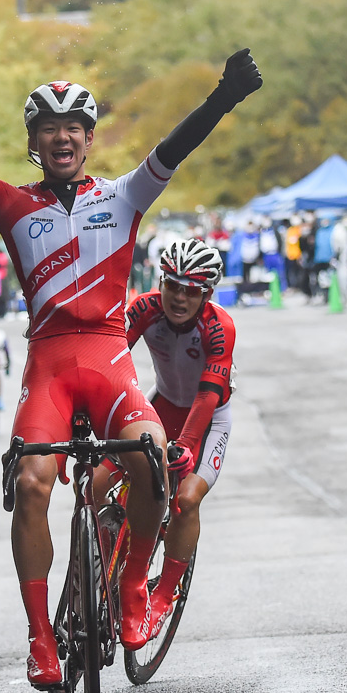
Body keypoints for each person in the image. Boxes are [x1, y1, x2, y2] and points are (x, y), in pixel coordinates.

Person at [0, 47, 261, 685]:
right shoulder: (12, 207)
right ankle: (41, 637)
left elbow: (174, 146)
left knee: (153, 463)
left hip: (108, 364)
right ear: (34, 142)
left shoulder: (126, 196)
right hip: (49, 368)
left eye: (73, 128)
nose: (62, 138)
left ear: (88, 138)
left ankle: (134, 590)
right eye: (49, 130)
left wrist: (224, 96)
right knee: (30, 485)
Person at [117, 239, 235, 633]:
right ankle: (106, 558)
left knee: (185, 499)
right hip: (161, 405)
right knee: (100, 482)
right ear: (161, 282)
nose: (179, 298)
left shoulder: (219, 327)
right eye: (173, 286)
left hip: (208, 417)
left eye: (191, 290)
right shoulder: (144, 309)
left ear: (208, 294)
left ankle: (165, 593)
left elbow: (207, 395)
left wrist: (185, 444)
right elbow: (115, 360)